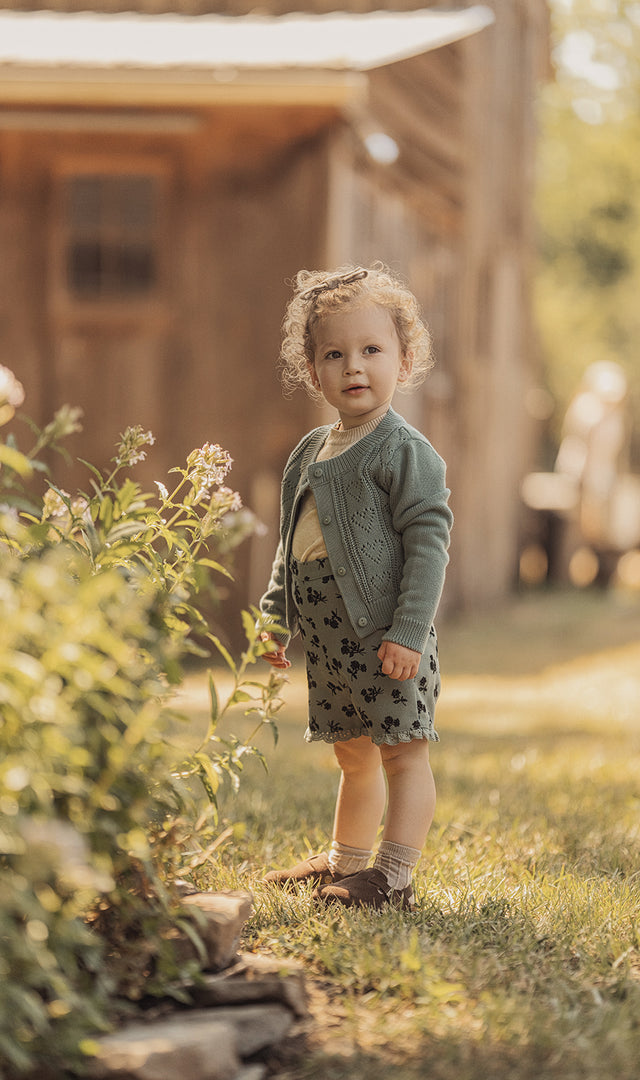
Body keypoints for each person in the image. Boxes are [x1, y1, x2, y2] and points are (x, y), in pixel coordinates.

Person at [258, 264, 452, 912]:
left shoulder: (403, 450)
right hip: (334, 645)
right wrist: (274, 616)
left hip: (389, 640)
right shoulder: (310, 452)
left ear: (405, 357)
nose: (354, 366)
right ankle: (346, 863)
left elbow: (428, 546)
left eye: (372, 350)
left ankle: (393, 876)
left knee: (401, 754)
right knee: (354, 756)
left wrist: (407, 632)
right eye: (334, 354)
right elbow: (294, 545)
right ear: (312, 371)